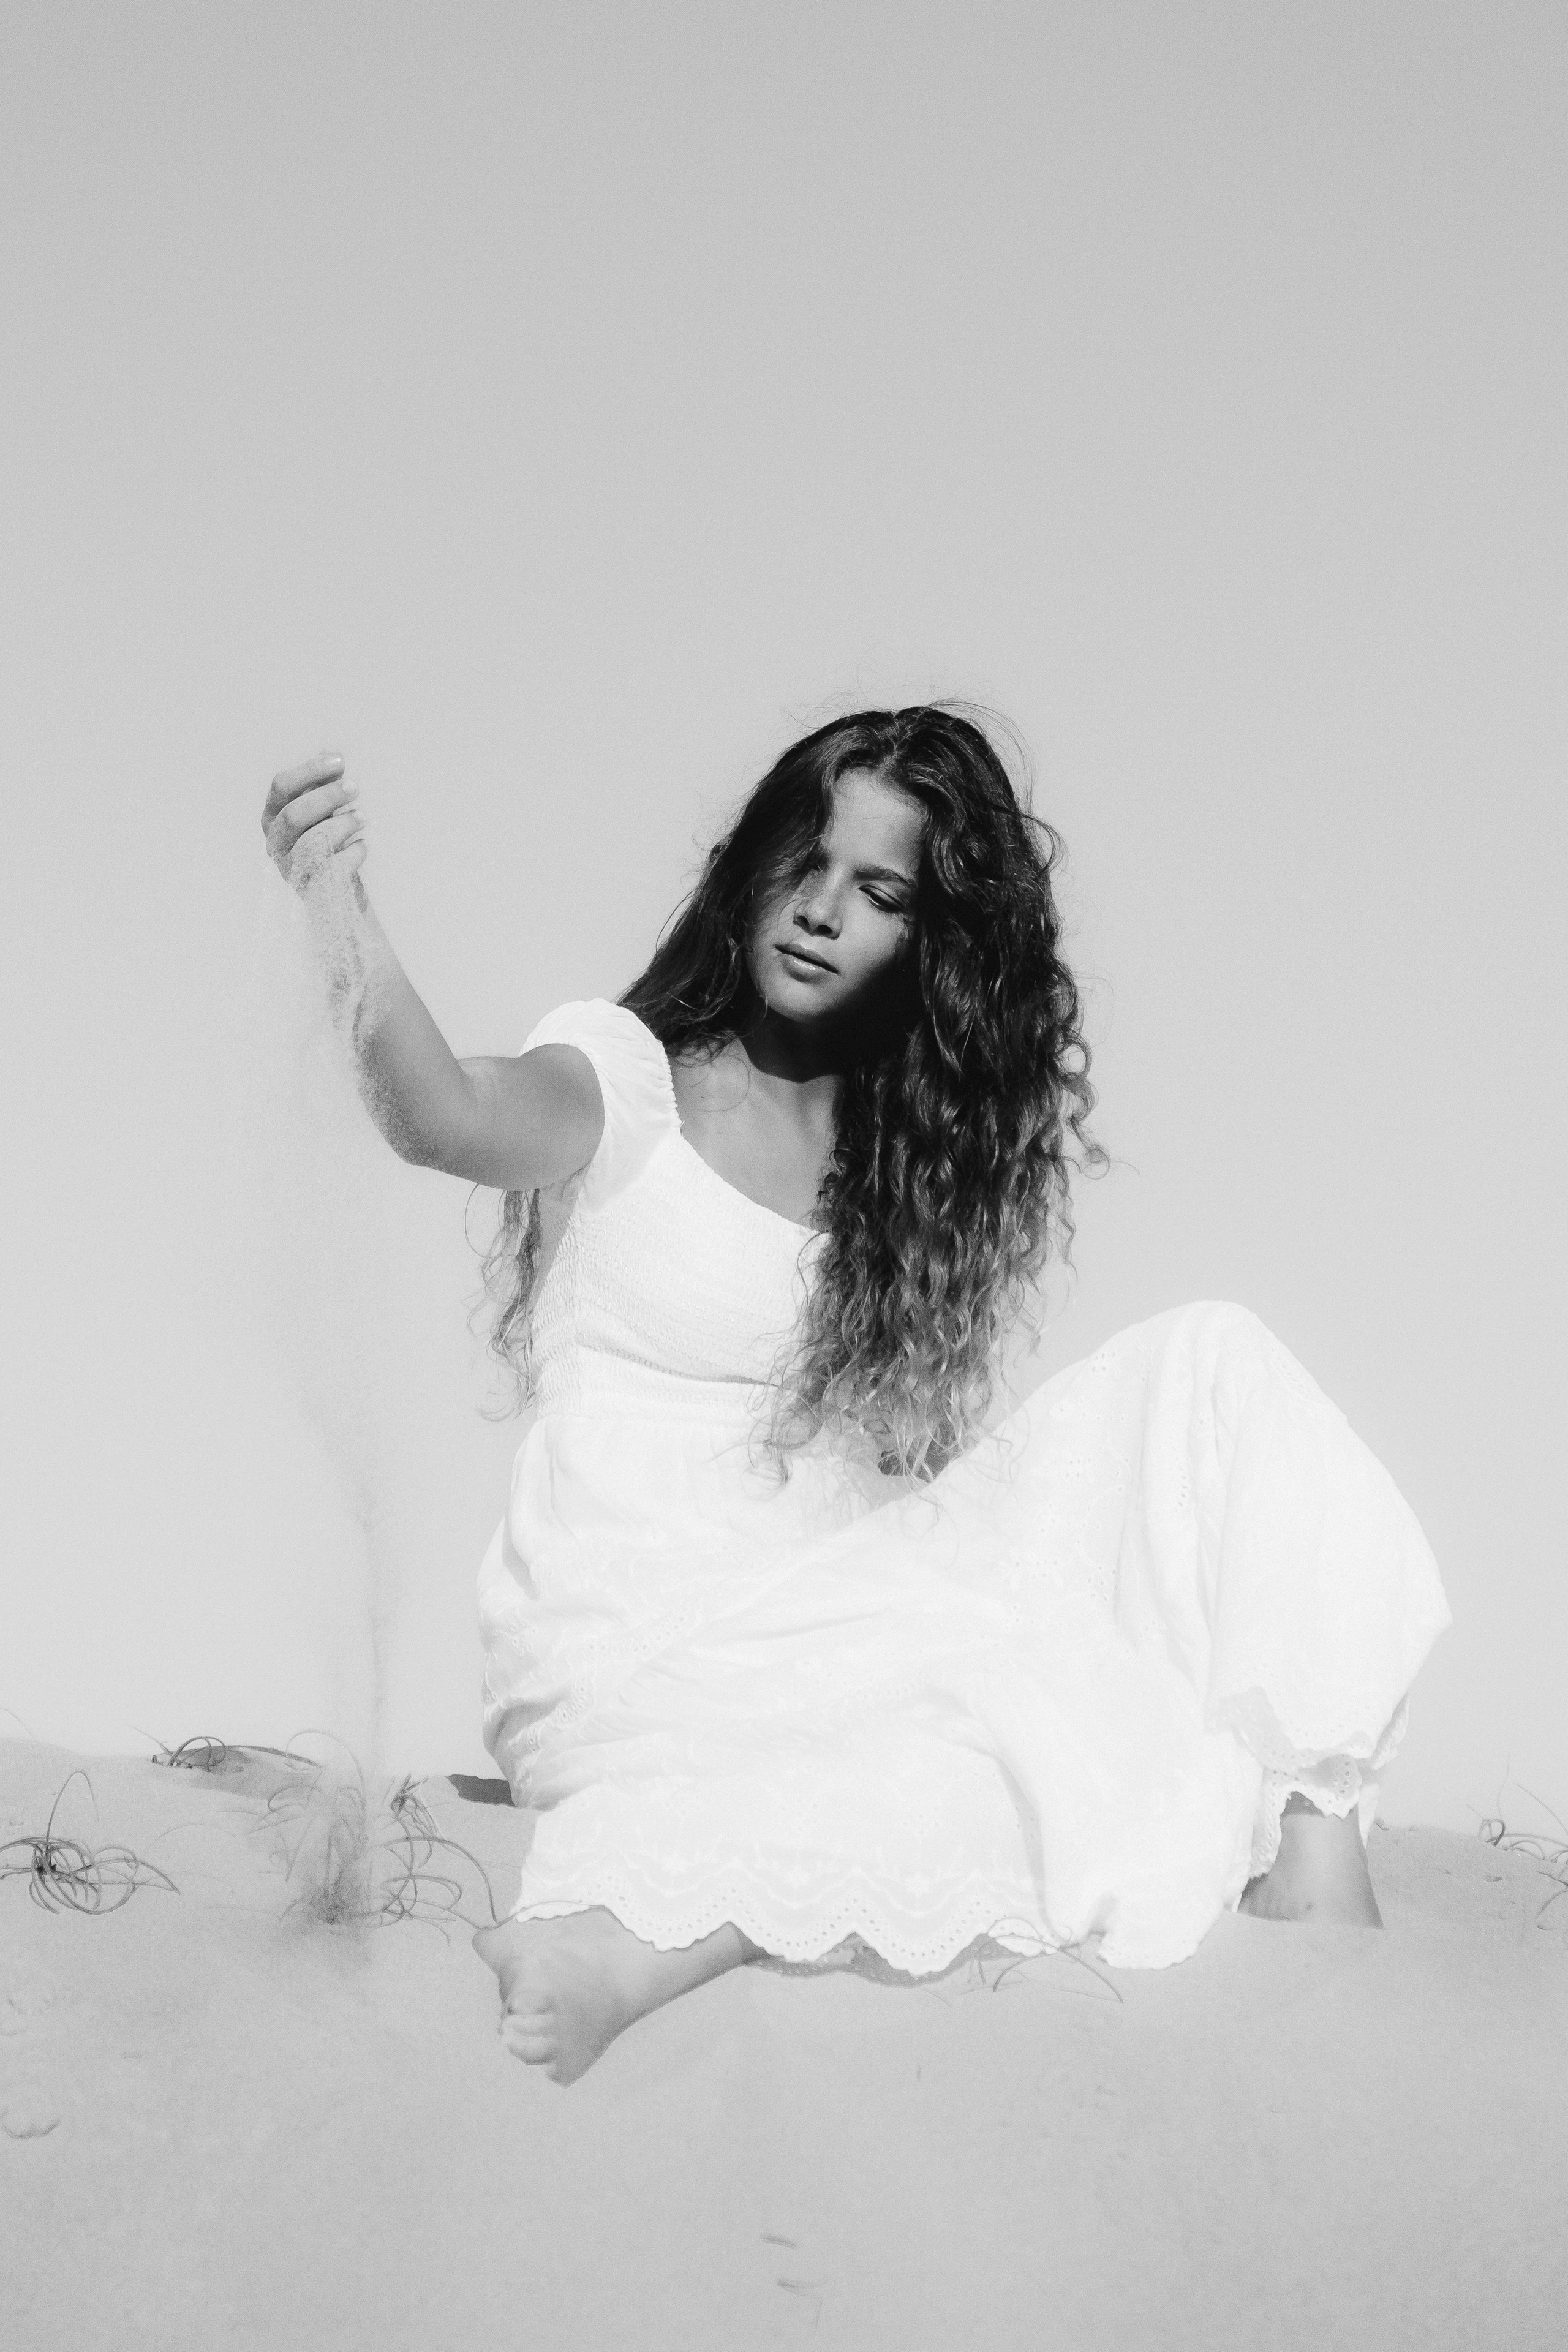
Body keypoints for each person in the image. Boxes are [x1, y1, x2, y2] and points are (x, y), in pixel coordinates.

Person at [260, 706, 1450, 2088]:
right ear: (752, 866)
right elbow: (444, 1116)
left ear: (934, 946)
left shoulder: (894, 1181)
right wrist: (334, 902)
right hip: (637, 1634)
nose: (821, 912)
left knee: (1211, 1382)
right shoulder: (630, 1081)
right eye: (803, 863)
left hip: (833, 1611)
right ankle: (618, 1947)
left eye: (878, 893)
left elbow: (899, 1488)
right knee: (973, 1765)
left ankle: (1318, 1874)